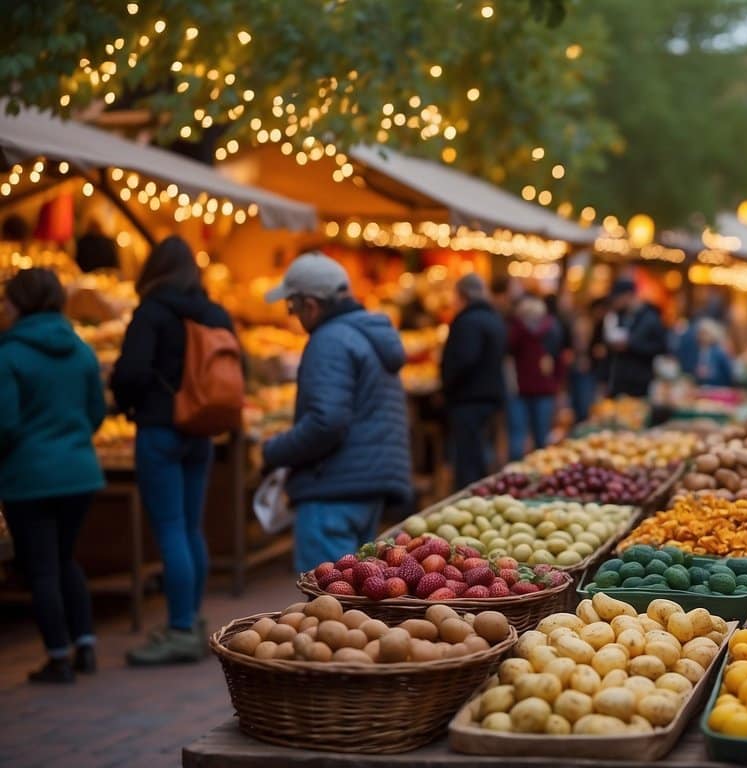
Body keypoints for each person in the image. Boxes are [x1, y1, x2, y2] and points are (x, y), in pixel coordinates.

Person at [110, 236, 235, 665]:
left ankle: (180, 628)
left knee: (169, 529)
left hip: (160, 429)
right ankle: (193, 621)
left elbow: (130, 372)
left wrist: (127, 402)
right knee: (190, 528)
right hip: (201, 430)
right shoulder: (215, 312)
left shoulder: (153, 311)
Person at [261, 253, 412, 573]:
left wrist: (274, 451)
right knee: (356, 596)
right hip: (368, 483)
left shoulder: (329, 340)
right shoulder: (368, 334)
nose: (293, 316)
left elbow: (325, 422)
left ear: (311, 305)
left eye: (292, 306)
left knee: (329, 603)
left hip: (331, 487)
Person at [0, 269, 104, 682]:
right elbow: (96, 411)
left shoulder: (8, 355)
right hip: (80, 473)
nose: (3, 308)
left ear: (21, 303)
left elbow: (4, 424)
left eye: (6, 300)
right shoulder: (80, 350)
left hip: (30, 476)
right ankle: (85, 644)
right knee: (64, 558)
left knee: (40, 567)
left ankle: (58, 656)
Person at [438, 274, 507, 488]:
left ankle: (470, 494)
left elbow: (464, 360)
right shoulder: (493, 318)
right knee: (481, 450)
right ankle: (481, 489)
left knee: (468, 455)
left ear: (463, 295)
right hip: (489, 395)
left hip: (469, 398)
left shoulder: (468, 321)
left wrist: (447, 383)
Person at [506, 294, 564, 459]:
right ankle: (539, 470)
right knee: (539, 437)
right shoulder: (552, 328)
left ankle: (515, 474)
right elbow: (558, 361)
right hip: (539, 389)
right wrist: (556, 384)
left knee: (520, 436)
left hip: (522, 389)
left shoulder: (516, 330)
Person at [605, 277, 668, 398]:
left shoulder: (651, 317)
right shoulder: (620, 316)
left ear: (628, 295)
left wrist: (631, 346)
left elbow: (661, 348)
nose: (615, 302)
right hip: (620, 381)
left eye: (618, 298)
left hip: (640, 382)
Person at [693, 318, 734, 387]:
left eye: (705, 333)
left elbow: (728, 372)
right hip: (703, 388)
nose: (702, 337)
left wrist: (709, 373)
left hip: (719, 388)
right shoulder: (699, 351)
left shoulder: (719, 351)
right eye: (700, 334)